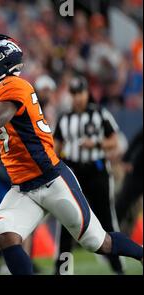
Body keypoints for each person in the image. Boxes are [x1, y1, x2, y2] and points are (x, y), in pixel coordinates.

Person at [0, 34, 143, 275]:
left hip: (51, 180)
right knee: (6, 235)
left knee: (99, 243)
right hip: (23, 188)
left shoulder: (13, 86)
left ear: (2, 61)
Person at [53, 75, 124, 274]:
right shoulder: (64, 118)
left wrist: (97, 144)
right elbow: (55, 147)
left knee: (107, 220)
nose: (77, 98)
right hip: (73, 172)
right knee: (67, 222)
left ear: (87, 93)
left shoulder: (100, 113)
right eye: (74, 93)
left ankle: (118, 268)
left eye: (80, 93)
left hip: (97, 171)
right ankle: (62, 270)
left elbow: (114, 141)